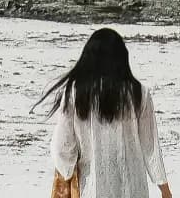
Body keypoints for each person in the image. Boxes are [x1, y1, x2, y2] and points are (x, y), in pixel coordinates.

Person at [41, 28, 171, 198]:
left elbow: (62, 147)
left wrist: (67, 173)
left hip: (93, 188)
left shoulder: (75, 94)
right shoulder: (139, 93)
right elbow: (150, 146)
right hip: (133, 188)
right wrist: (164, 189)